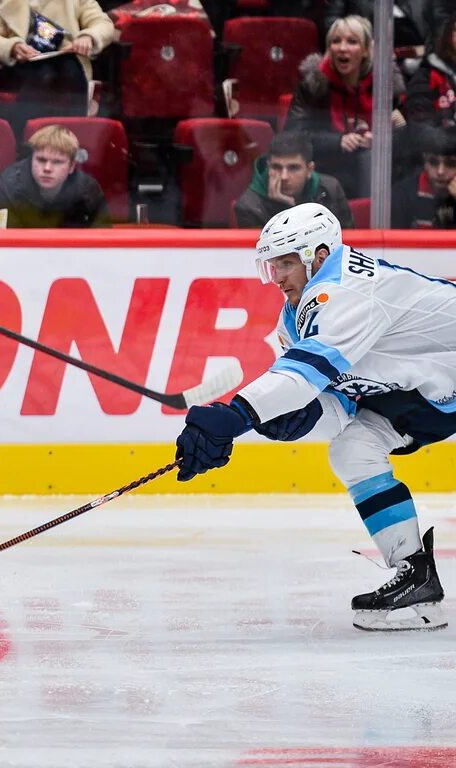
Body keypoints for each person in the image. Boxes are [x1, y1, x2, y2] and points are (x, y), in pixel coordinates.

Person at [174, 202, 450, 632]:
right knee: (353, 448)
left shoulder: (348, 290)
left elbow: (302, 374)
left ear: (319, 256)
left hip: (435, 383)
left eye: (286, 263)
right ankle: (416, 577)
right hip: (429, 392)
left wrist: (235, 416)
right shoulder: (296, 317)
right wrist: (295, 420)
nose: (278, 276)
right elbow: (339, 399)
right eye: (272, 265)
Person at [285, 15, 407, 199]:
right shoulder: (313, 86)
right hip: (327, 167)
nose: (342, 48)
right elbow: (292, 137)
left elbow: (410, 137)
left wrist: (381, 140)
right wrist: (337, 142)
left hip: (374, 171)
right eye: (336, 41)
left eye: (352, 42)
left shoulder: (386, 86)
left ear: (366, 50)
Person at [0, 0, 115, 135]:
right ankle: (25, 143)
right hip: (17, 64)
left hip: (66, 61)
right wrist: (13, 47)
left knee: (67, 68)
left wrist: (88, 36)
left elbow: (103, 24)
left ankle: (71, 142)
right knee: (44, 73)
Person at [0, 124, 111, 228]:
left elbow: (103, 246)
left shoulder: (88, 191)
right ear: (31, 158)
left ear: (71, 166)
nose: (47, 168)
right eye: (41, 160)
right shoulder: (3, 190)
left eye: (57, 162)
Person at [234, 131, 354, 230]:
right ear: (268, 166)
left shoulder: (330, 189)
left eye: (293, 168)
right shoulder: (249, 206)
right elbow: (265, 254)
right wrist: (281, 208)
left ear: (309, 170)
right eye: (276, 167)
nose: (284, 176)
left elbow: (348, 244)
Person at [392, 125, 456, 228]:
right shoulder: (402, 195)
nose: (440, 172)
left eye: (451, 164)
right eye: (433, 162)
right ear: (425, 162)